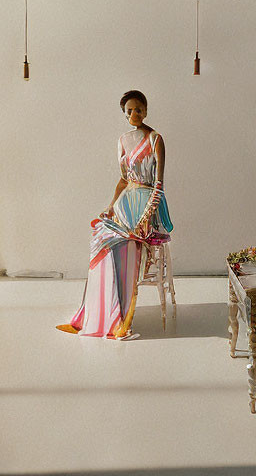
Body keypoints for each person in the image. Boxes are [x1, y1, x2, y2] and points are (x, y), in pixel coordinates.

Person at [57, 90, 173, 339]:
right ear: (124, 113)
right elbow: (123, 180)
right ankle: (88, 317)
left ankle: (122, 321)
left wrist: (146, 217)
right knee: (99, 240)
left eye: (138, 109)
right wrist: (111, 206)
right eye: (129, 110)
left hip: (147, 206)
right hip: (124, 203)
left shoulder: (155, 139)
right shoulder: (122, 140)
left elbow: (159, 185)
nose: (134, 114)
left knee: (125, 245)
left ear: (146, 110)